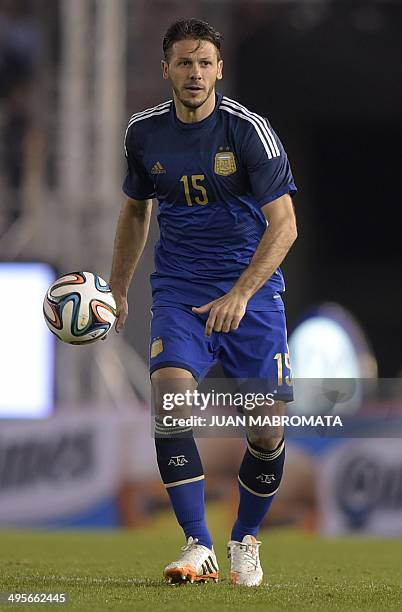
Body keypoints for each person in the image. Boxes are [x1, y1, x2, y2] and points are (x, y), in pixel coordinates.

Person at [110, 18, 298, 587]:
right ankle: (198, 545)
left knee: (266, 430)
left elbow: (285, 226)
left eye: (204, 63)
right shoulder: (143, 134)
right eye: (184, 63)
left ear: (220, 69)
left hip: (253, 292)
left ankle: (245, 540)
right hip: (180, 289)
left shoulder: (249, 132)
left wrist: (241, 293)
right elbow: (137, 210)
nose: (195, 74)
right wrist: (118, 287)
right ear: (165, 68)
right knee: (169, 402)